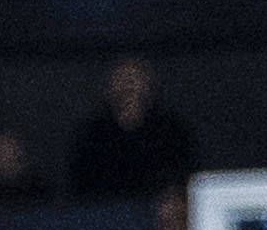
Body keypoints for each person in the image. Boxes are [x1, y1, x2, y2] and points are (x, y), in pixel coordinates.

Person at [63, 56, 200, 206]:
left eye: (134, 79)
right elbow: (81, 187)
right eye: (121, 78)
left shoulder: (172, 133)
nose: (128, 86)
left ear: (149, 85)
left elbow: (184, 183)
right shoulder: (91, 136)